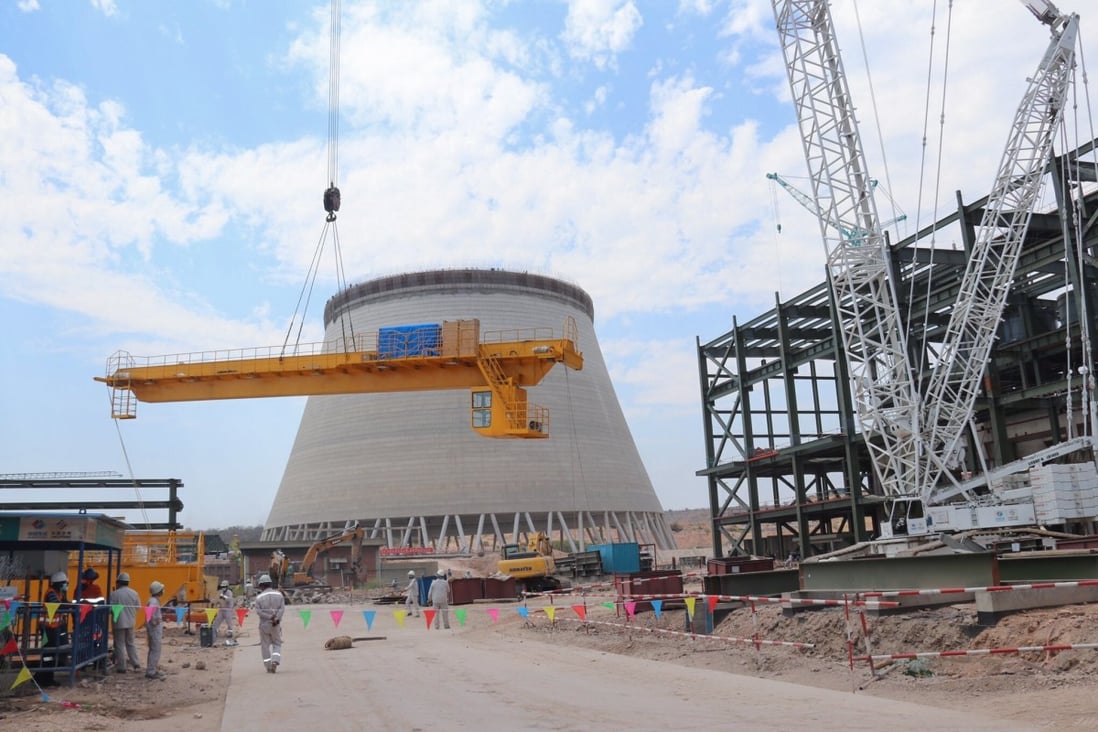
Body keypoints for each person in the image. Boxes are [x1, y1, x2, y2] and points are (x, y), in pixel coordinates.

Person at [35, 571, 70, 687]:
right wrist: (70, 606)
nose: (65, 585)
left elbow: (64, 603)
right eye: (64, 583)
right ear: (58, 584)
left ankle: (40, 677)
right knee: (48, 654)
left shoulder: (58, 592)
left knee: (50, 653)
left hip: (53, 628)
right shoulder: (51, 593)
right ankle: (46, 679)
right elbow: (58, 605)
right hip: (47, 628)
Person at [108, 572, 141, 673]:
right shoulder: (134, 593)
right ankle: (136, 664)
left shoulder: (114, 594)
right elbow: (138, 608)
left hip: (119, 623)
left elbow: (109, 610)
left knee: (119, 645)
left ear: (118, 582)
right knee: (130, 643)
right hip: (131, 623)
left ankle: (122, 667)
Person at [253, 574, 285, 673]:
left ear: (261, 585)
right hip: (276, 624)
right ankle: (275, 661)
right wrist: (276, 618)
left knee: (265, 645)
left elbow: (259, 612)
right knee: (277, 643)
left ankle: (268, 666)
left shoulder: (259, 597)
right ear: (270, 583)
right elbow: (282, 608)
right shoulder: (279, 595)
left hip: (264, 625)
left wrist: (269, 617)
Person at [145, 580, 166, 680]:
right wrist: (156, 622)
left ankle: (151, 669)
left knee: (153, 650)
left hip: (154, 629)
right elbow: (152, 616)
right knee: (155, 650)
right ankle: (151, 671)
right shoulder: (153, 602)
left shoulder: (154, 600)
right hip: (154, 630)